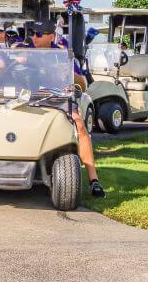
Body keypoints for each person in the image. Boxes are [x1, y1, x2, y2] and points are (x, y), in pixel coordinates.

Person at [25, 20, 105, 198]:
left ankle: (93, 179)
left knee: (79, 124)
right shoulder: (25, 52)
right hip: (30, 96)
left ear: (51, 36)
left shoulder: (62, 54)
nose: (33, 38)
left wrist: (70, 73)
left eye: (38, 34)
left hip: (57, 98)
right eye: (32, 34)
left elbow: (82, 84)